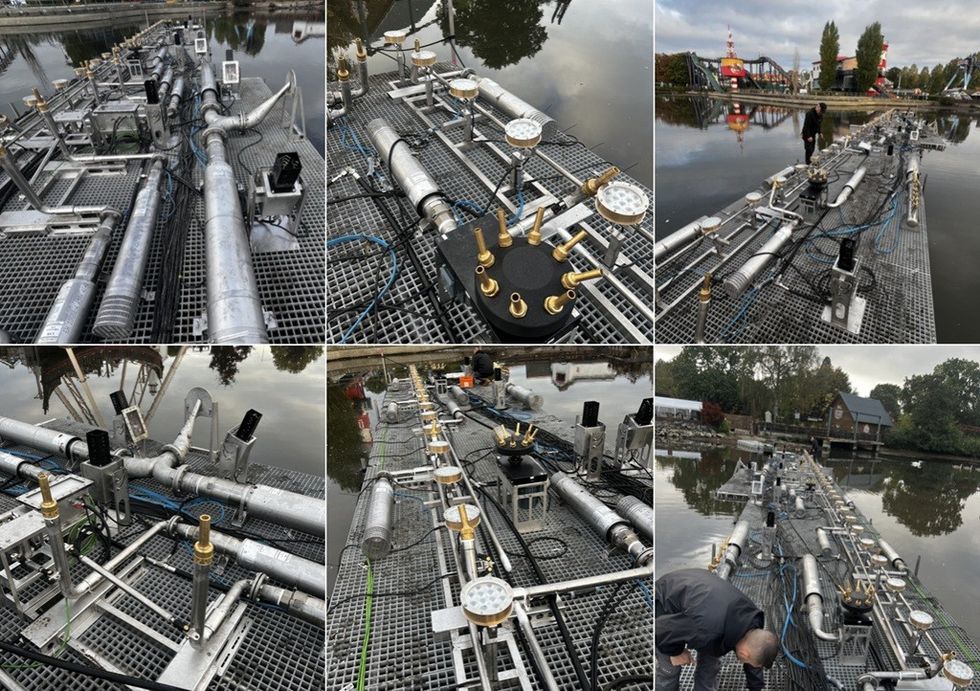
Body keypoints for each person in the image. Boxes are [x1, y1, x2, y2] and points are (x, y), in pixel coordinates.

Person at [656, 568, 779, 691]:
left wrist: (756, 687)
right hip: (666, 602)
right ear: (744, 654)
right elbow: (661, 629)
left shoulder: (753, 623)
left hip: (700, 590)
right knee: (670, 670)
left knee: (710, 665)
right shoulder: (707, 630)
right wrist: (676, 652)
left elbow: (756, 657)